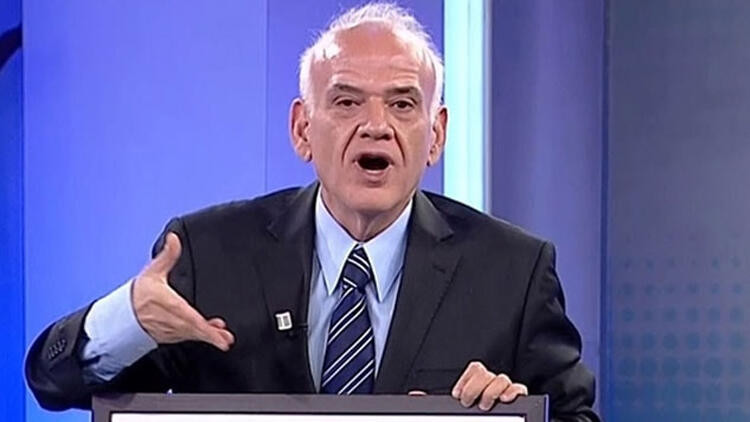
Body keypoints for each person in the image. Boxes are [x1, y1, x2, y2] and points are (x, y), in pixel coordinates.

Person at [25, 3, 599, 421]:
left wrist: (509, 417)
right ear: (302, 129)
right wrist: (128, 319)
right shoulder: (210, 255)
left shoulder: (512, 272)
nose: (376, 126)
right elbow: (50, 382)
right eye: (347, 102)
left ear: (437, 135)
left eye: (403, 104)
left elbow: (576, 416)